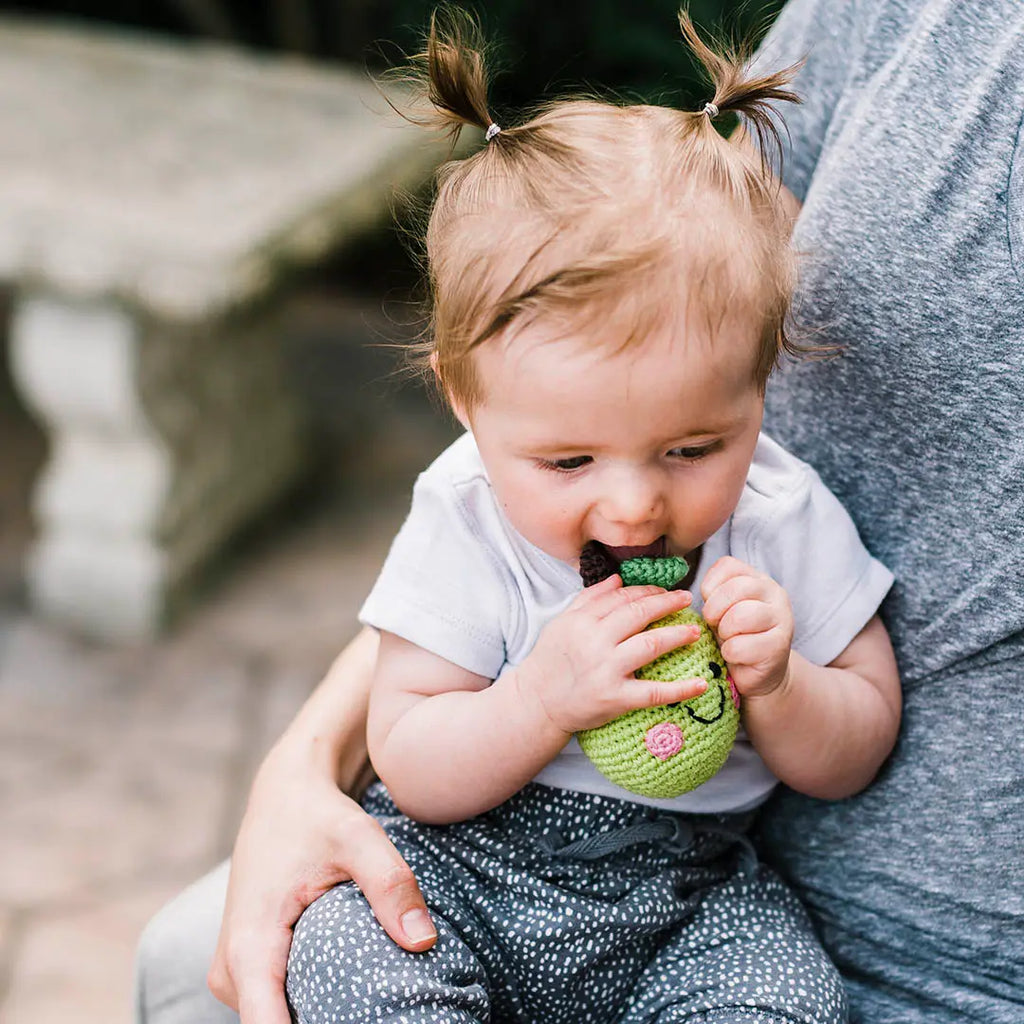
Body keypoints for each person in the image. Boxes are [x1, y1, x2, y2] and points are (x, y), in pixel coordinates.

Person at [135, 1, 1024, 1022]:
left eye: (694, 447)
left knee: (786, 999)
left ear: (758, 390)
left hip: (688, 891)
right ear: (466, 404)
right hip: (466, 867)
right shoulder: (465, 512)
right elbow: (411, 756)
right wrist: (540, 699)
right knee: (347, 959)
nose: (636, 502)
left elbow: (859, 741)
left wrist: (782, 683)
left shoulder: (780, 513)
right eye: (567, 459)